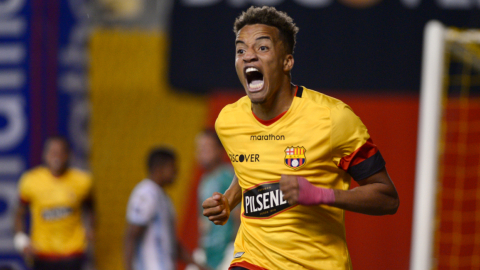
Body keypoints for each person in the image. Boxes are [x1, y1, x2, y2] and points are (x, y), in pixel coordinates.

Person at [202, 6, 400, 270]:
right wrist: (228, 200)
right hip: (252, 260)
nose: (249, 56)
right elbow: (249, 166)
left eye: (262, 48)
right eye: (241, 50)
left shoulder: (333, 119)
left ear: (287, 61)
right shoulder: (228, 121)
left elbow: (387, 198)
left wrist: (320, 195)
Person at [14, 136, 94, 270]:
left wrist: (90, 229)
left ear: (68, 155)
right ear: (45, 155)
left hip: (72, 253)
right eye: (52, 152)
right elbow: (18, 213)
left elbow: (91, 208)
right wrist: (21, 241)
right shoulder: (30, 181)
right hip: (42, 253)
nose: (56, 157)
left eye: (60, 152)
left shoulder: (83, 181)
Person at [124, 147, 209, 270]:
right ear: (159, 168)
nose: (176, 171)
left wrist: (198, 265)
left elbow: (172, 244)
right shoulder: (146, 193)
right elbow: (131, 235)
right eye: (172, 167)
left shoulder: (163, 197)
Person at [196, 129, 238, 270]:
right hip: (208, 252)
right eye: (199, 148)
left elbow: (239, 214)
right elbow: (202, 222)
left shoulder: (228, 176)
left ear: (220, 149)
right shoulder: (204, 181)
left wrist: (234, 248)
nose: (202, 152)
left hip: (227, 250)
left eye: (207, 147)